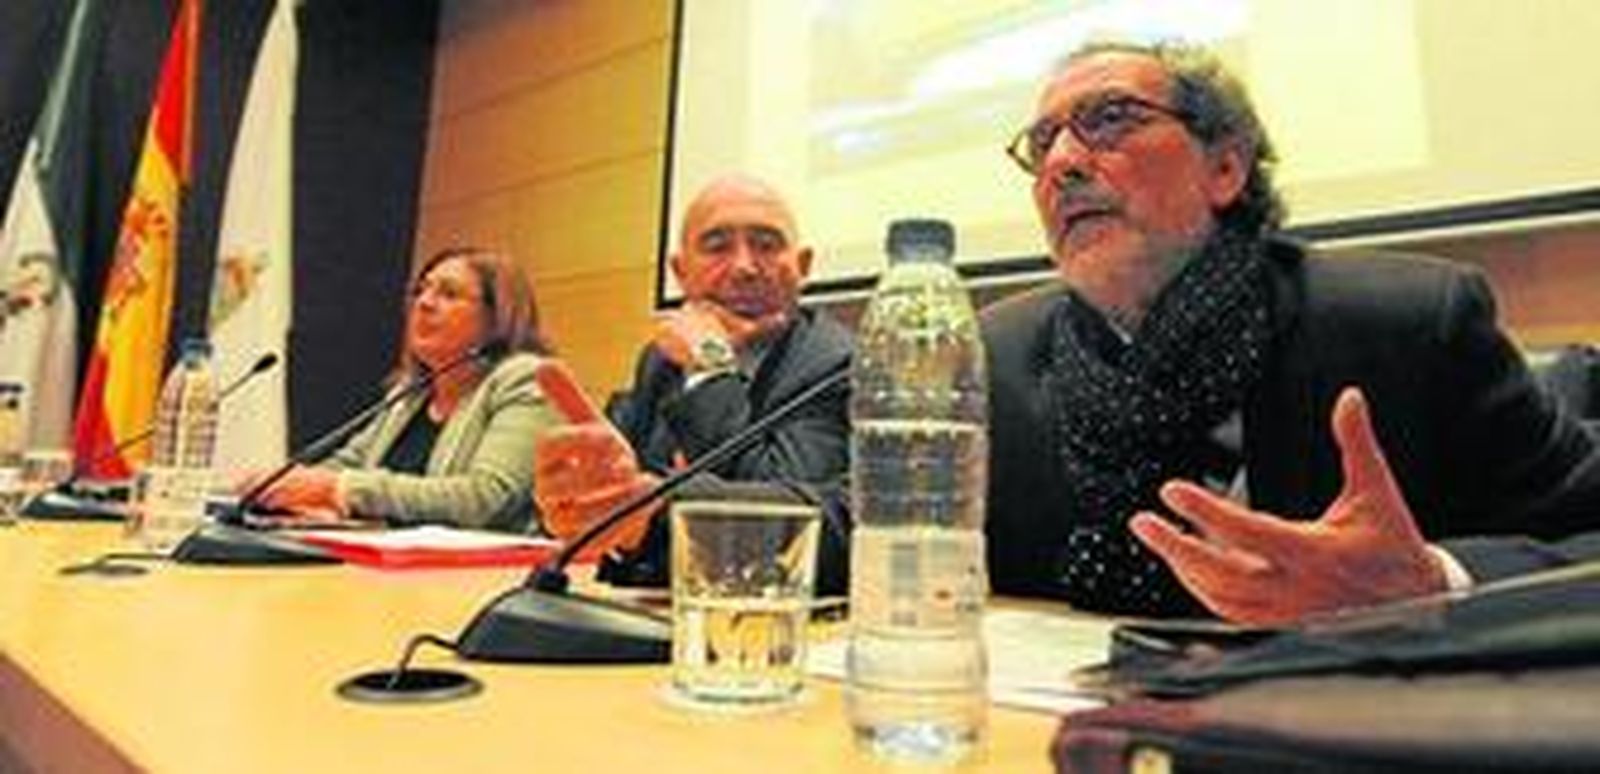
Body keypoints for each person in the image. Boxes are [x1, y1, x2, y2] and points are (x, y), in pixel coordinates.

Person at [982, 39, 1600, 618]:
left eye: (1113, 118)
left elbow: (1584, 536)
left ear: (1226, 167)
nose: (1061, 163)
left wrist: (1435, 578)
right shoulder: (995, 362)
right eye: (1042, 144)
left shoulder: (1411, 323)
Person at [532, 174, 853, 588]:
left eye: (767, 245)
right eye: (717, 247)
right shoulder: (661, 360)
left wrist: (710, 367)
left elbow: (784, 523)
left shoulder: (835, 363)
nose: (744, 267)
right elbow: (619, 498)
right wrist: (583, 498)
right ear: (680, 272)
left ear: (803, 267)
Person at [240, 246, 564, 532]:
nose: (424, 303)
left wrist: (339, 490)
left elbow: (486, 498)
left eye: (449, 294)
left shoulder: (527, 380)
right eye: (420, 291)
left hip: (480, 574)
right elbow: (349, 462)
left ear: (498, 316)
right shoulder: (409, 392)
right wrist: (283, 485)